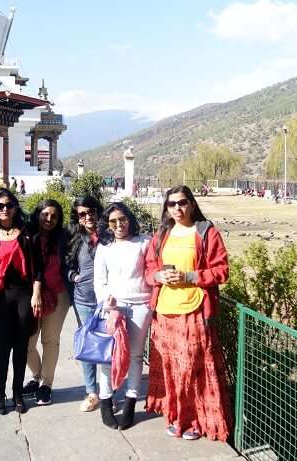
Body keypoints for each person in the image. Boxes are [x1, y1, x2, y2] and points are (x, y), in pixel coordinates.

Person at [144, 185, 232, 442]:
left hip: (193, 310)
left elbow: (222, 270)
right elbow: (149, 268)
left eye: (182, 202)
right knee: (171, 369)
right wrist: (158, 276)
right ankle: (175, 415)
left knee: (191, 370)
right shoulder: (162, 234)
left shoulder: (206, 232)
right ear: (166, 208)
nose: (177, 208)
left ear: (192, 204)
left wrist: (190, 276)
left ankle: (194, 420)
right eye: (171, 204)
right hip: (164, 312)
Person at [93, 202, 152, 430]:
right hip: (114, 308)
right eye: (114, 221)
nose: (119, 225)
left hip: (140, 306)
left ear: (130, 219)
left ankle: (130, 403)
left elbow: (151, 270)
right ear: (108, 224)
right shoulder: (104, 247)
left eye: (123, 219)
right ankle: (106, 401)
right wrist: (107, 302)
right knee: (110, 356)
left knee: (136, 356)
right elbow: (100, 280)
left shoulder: (144, 242)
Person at [0, 188, 41, 414]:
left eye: (9, 205)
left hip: (23, 294)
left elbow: (38, 267)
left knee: (20, 346)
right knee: (2, 348)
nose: (5, 209)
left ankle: (18, 393)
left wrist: (36, 294)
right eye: (0, 206)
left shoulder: (27, 233)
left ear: (16, 207)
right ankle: (0, 394)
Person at [23, 199, 70, 406]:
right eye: (45, 214)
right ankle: (37, 374)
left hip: (58, 295)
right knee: (26, 343)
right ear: (38, 214)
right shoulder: (26, 235)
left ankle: (45, 384)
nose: (49, 219)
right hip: (31, 295)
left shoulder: (64, 238)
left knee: (50, 340)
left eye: (54, 215)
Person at [66, 196, 104, 412]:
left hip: (108, 303)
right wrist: (74, 277)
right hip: (84, 301)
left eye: (91, 212)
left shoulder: (109, 236)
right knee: (88, 347)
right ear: (78, 218)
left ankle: (108, 391)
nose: (88, 217)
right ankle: (92, 392)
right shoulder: (74, 238)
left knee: (109, 347)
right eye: (82, 214)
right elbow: (67, 265)